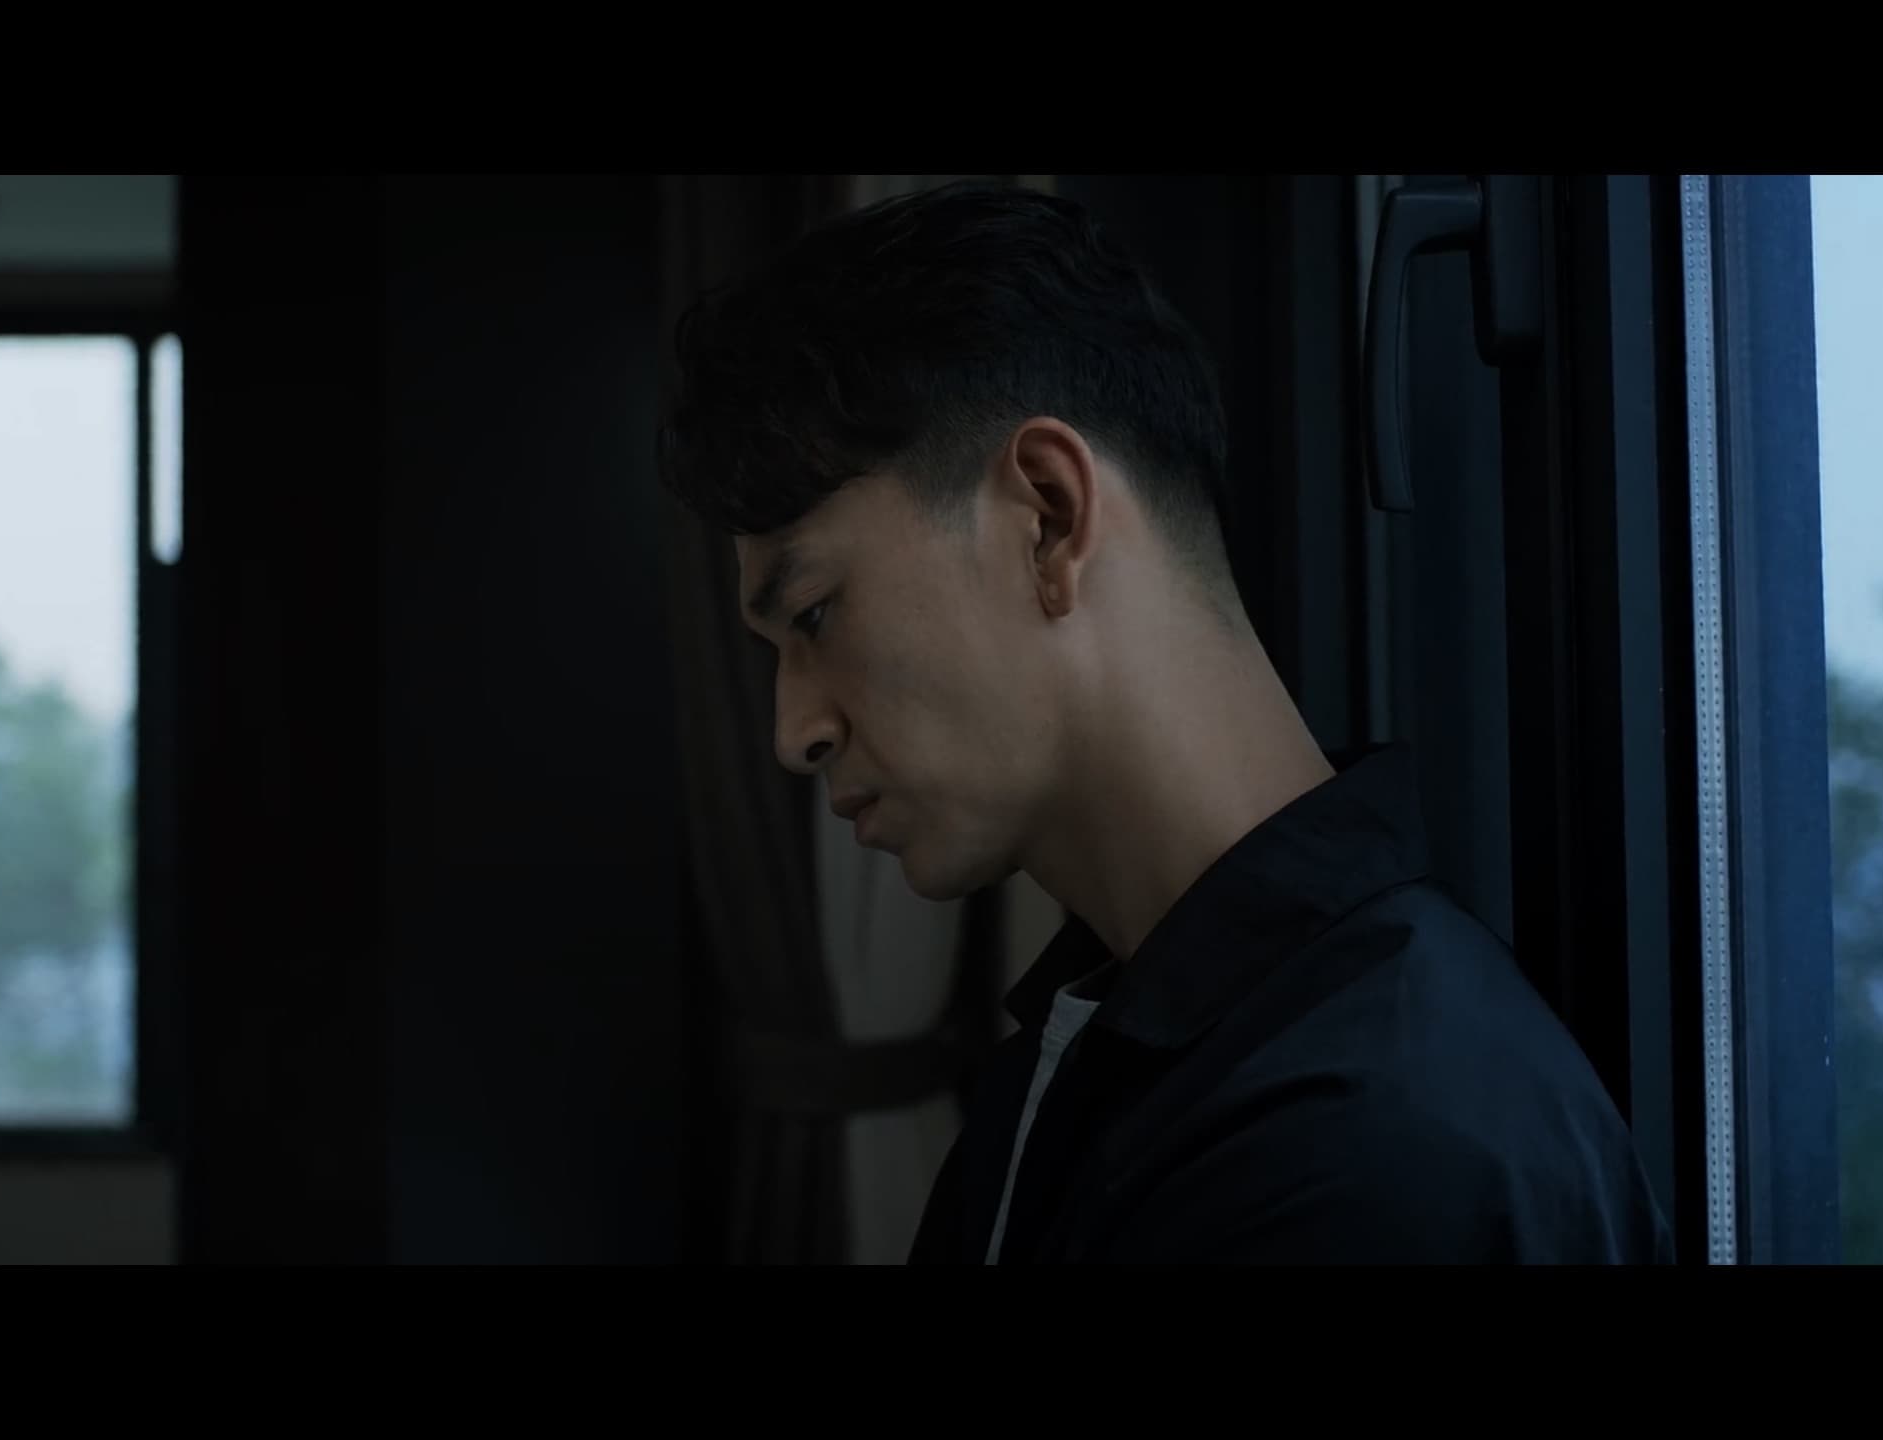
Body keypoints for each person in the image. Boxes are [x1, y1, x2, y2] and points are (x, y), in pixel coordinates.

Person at [655, 180, 1675, 1264]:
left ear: (1049, 519)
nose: (795, 732)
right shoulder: (1118, 1044)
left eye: (816, 612)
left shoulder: (1375, 1150)